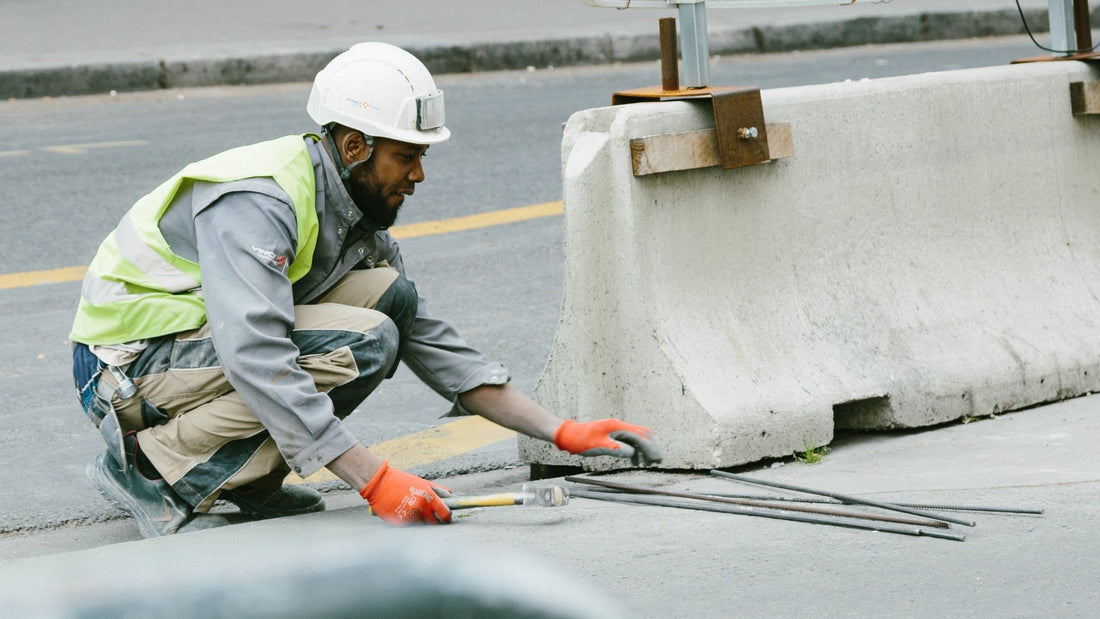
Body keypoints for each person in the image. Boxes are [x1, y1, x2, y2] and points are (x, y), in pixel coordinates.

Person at [69, 42, 661, 537]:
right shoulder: (260, 199)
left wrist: (559, 431)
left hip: (186, 355)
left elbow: (431, 341)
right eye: (406, 156)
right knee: (366, 340)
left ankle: (244, 482)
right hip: (124, 369)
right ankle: (153, 473)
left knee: (389, 301)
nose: (419, 174)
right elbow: (255, 353)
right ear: (355, 147)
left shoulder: (353, 212)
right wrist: (374, 480)